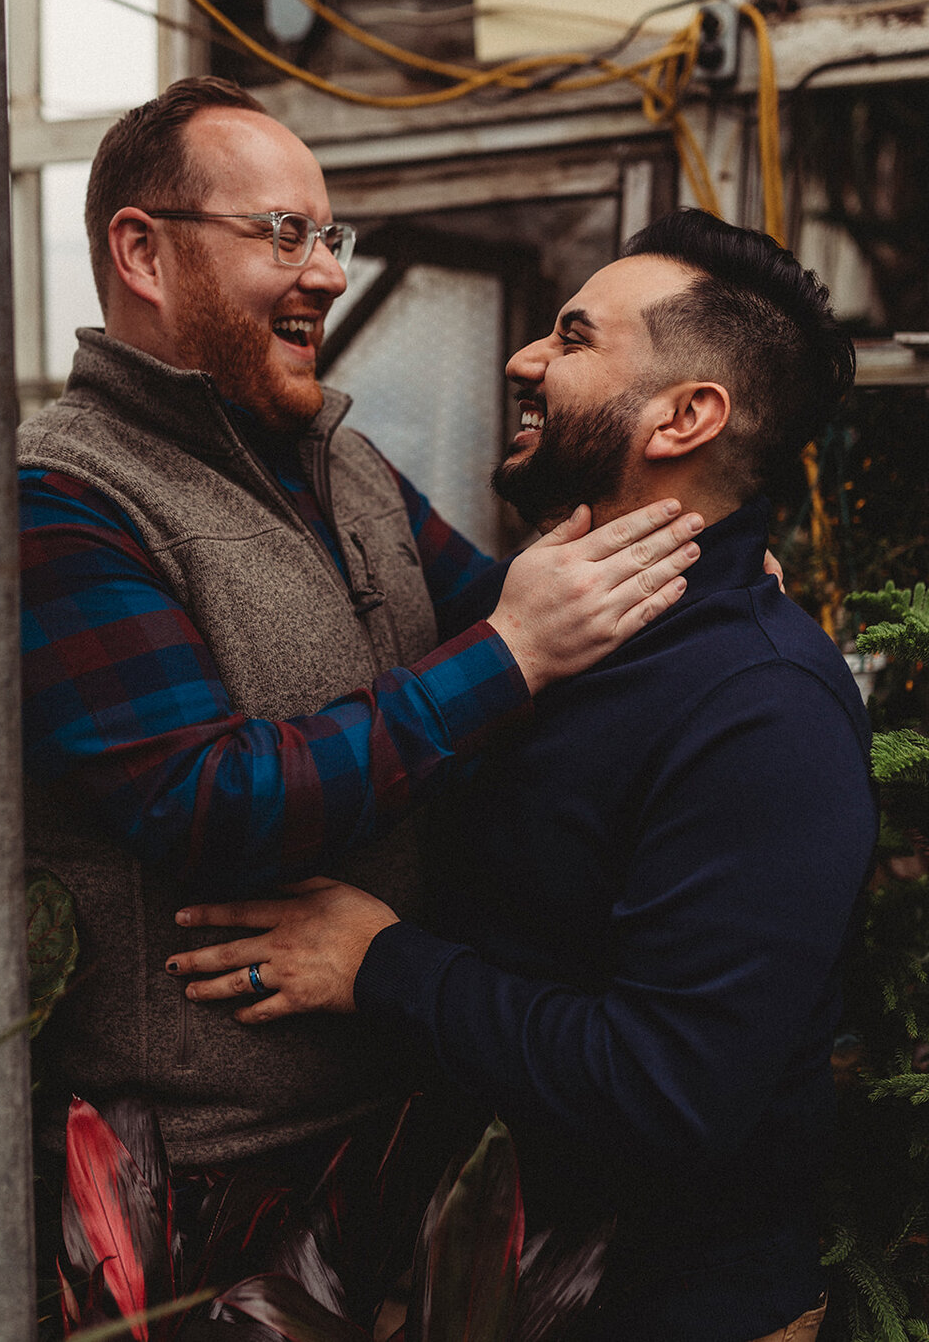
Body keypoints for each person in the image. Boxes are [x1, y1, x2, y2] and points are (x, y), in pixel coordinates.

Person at [0, 77, 701, 1183]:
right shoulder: (51, 507)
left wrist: (696, 568)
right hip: (198, 1178)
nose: (330, 272)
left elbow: (493, 599)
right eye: (284, 233)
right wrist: (512, 655)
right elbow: (207, 801)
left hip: (405, 1111)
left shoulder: (339, 459)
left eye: (327, 234)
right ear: (144, 254)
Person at [167, 210, 878, 1342]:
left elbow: (670, 1088)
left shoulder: (760, 707)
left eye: (572, 337)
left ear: (685, 416)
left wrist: (379, 964)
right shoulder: (564, 625)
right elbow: (374, 528)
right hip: (484, 1289)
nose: (522, 358)